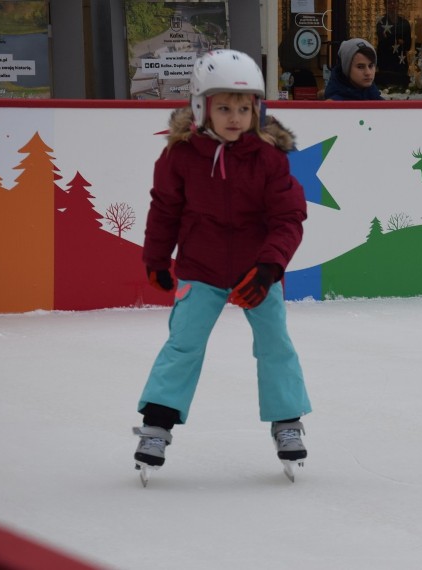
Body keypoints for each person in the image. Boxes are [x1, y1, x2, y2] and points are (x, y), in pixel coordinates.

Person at [134, 49, 312, 483]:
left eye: (244, 108)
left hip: (256, 270)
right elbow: (165, 210)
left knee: (275, 344)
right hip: (201, 267)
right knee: (184, 344)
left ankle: (287, 421)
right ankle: (157, 425)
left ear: (258, 110)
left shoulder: (270, 160)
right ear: (201, 107)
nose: (235, 117)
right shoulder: (180, 157)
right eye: (224, 107)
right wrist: (156, 258)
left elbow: (288, 217)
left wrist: (269, 268)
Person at [375, 0, 412, 87]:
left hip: (400, 64)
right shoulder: (381, 23)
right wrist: (399, 40)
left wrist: (390, 37)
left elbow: (407, 45)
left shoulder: (405, 23)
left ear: (398, 4)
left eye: (394, 2)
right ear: (385, 5)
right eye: (389, 2)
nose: (392, 4)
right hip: (385, 63)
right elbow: (384, 43)